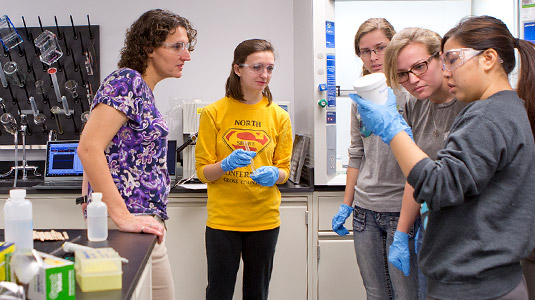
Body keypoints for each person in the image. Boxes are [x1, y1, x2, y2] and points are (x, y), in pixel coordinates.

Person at [352, 15, 535, 299]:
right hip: (480, 273)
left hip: (475, 282)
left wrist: (393, 129)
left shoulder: (485, 115)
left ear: (488, 58)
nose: (448, 72)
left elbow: (437, 186)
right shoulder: (505, 108)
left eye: (452, 59)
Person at [77, 9, 197, 299]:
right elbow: (89, 147)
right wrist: (121, 216)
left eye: (187, 47)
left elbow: (100, 145)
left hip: (141, 220)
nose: (186, 56)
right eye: (177, 46)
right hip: (127, 222)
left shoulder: (142, 89)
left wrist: (87, 197)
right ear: (148, 48)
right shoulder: (126, 82)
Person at [195, 39, 293, 300]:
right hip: (223, 221)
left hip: (264, 218)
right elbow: (203, 171)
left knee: (257, 293)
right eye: (257, 67)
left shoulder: (279, 116)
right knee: (218, 292)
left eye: (270, 68)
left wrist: (274, 174)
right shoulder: (213, 113)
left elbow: (284, 170)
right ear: (237, 69)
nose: (265, 75)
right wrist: (225, 165)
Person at [331, 18, 419, 299]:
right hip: (364, 212)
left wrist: (407, 228)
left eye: (380, 48)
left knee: (406, 295)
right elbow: (356, 154)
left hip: (401, 211)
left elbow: (419, 164)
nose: (373, 57)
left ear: (394, 46)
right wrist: (347, 204)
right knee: (375, 293)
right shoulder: (360, 100)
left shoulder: (412, 94)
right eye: (364, 51)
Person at [382, 27, 468, 299]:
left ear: (441, 58)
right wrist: (401, 233)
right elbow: (415, 175)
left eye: (420, 66)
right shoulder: (415, 105)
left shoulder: (469, 102)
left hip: (467, 234)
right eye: (403, 75)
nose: (413, 79)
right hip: (430, 229)